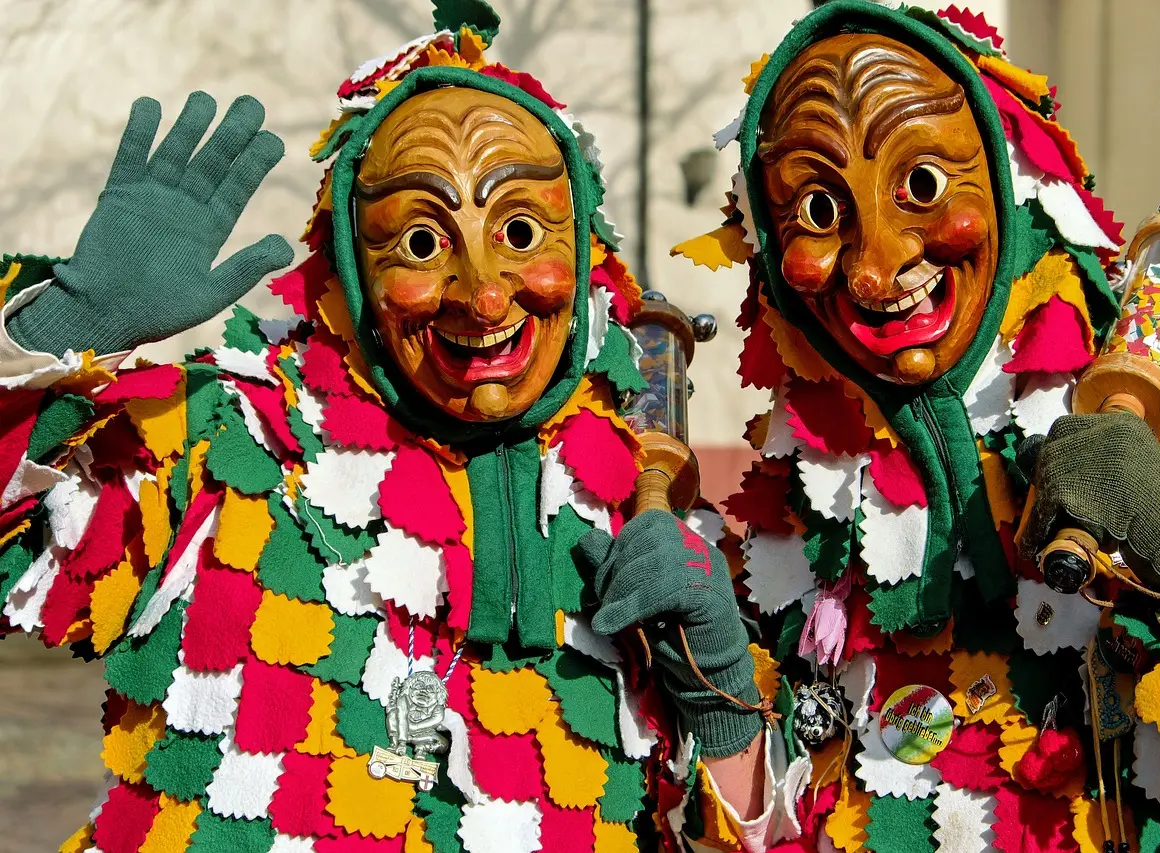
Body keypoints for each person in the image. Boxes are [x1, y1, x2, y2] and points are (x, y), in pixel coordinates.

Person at [0, 3, 798, 850]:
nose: (483, 296)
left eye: (520, 231)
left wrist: (719, 705)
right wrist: (56, 339)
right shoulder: (223, 440)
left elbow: (737, 833)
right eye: (421, 242)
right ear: (352, 267)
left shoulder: (645, 511)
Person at [677, 1, 1160, 848]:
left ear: (1003, 174)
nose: (876, 266)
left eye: (921, 185)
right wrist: (715, 699)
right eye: (818, 210)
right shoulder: (799, 507)